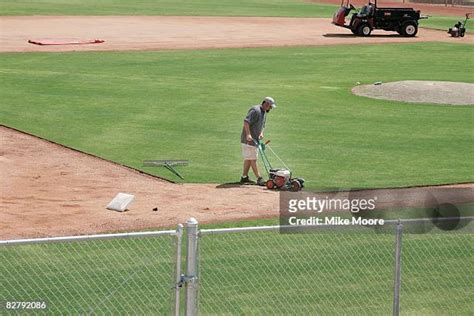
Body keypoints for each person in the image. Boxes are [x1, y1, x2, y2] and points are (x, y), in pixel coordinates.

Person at [240, 96, 276, 185]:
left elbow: (263, 125)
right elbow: (246, 122)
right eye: (270, 106)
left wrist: (261, 133)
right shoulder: (255, 110)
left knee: (249, 158)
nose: (270, 108)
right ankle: (259, 178)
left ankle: (244, 177)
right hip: (248, 140)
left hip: (255, 139)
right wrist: (248, 134)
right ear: (266, 104)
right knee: (253, 159)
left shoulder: (264, 112)